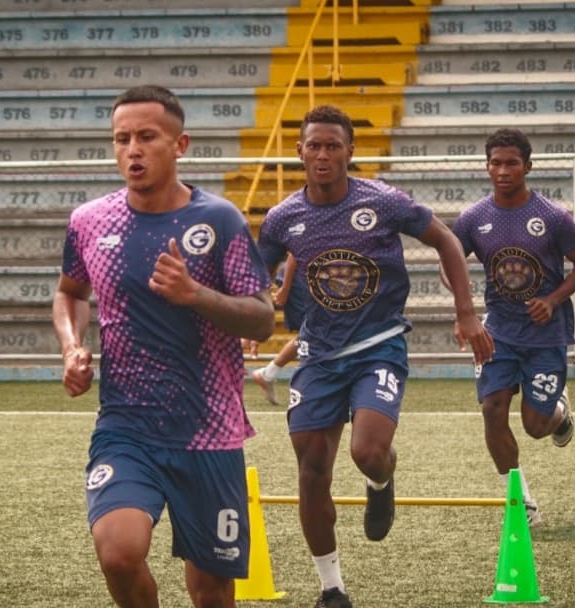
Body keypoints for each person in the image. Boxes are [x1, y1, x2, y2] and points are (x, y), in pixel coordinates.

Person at [255, 104, 494, 608]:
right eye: (313, 146)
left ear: (350, 151)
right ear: (299, 151)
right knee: (312, 469)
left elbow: (447, 240)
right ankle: (332, 588)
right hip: (318, 356)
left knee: (366, 451)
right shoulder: (282, 218)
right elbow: (257, 273)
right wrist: (253, 308)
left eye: (333, 146)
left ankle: (381, 479)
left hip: (377, 346)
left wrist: (467, 313)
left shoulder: (382, 202)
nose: (322, 155)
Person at [51, 85, 275, 608]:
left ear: (180, 145)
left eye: (147, 136)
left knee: (211, 591)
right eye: (121, 138)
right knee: (118, 553)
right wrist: (70, 348)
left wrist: (194, 294)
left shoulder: (219, 220)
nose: (133, 149)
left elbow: (263, 319)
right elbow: (68, 293)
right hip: (126, 425)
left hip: (209, 432)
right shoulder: (89, 221)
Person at [445, 127, 575, 527]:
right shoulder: (474, 218)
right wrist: (465, 309)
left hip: (545, 335)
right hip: (498, 332)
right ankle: (521, 500)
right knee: (493, 408)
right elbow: (450, 263)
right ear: (486, 166)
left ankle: (559, 411)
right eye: (496, 162)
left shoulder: (551, 217)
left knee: (534, 426)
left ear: (527, 166)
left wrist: (553, 299)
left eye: (512, 162)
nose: (503, 170)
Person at [248, 252, 309, 405]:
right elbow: (296, 252)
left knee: (316, 331)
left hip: (306, 277)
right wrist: (286, 288)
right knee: (315, 330)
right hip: (298, 277)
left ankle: (268, 373)